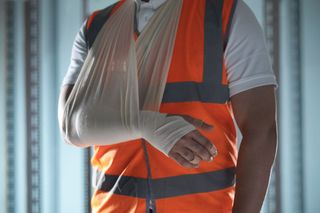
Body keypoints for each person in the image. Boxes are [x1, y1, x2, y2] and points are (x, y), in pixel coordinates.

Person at [58, 0, 278, 212]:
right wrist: (147, 124)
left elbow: (261, 130)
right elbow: (71, 126)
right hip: (114, 207)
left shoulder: (225, 15)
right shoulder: (96, 27)